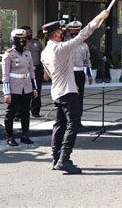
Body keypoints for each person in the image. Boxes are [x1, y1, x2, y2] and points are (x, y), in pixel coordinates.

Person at [41, 10, 109, 174]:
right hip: (68, 92)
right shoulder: (60, 49)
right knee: (73, 124)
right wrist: (99, 17)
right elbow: (83, 35)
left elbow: (49, 75)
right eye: (60, 32)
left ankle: (56, 158)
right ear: (56, 34)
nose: (63, 34)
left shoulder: (45, 52)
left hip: (57, 92)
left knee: (59, 125)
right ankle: (64, 159)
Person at [1, 29, 38, 146]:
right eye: (19, 38)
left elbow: (31, 70)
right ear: (13, 39)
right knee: (11, 113)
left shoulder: (27, 53)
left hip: (26, 86)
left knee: (25, 112)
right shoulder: (9, 54)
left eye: (24, 38)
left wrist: (34, 87)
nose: (22, 40)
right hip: (14, 87)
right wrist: (7, 93)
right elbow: (5, 75)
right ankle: (9, 137)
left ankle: (25, 135)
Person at [67, 21, 93, 117]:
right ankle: (69, 118)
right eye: (72, 30)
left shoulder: (84, 45)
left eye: (77, 30)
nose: (74, 32)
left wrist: (89, 75)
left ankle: (78, 118)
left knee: (79, 96)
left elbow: (87, 61)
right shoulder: (65, 43)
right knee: (69, 96)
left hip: (80, 74)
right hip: (68, 73)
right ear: (69, 30)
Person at [21, 25, 44, 118]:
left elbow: (42, 56)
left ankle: (35, 111)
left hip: (36, 69)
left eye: (30, 32)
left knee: (37, 91)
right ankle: (20, 113)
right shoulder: (20, 43)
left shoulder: (37, 42)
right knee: (23, 92)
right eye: (27, 33)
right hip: (24, 70)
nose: (29, 34)